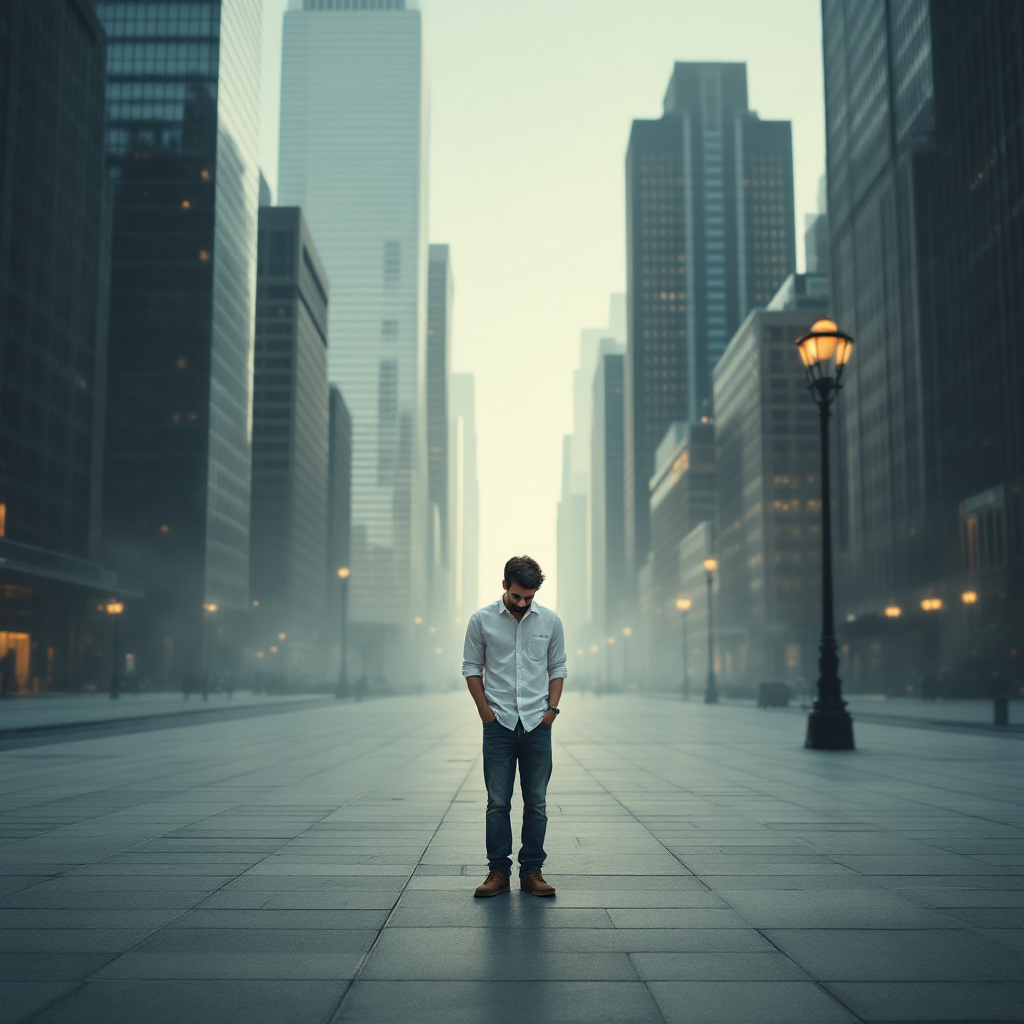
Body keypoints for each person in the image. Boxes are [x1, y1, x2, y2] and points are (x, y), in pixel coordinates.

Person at [462, 555, 566, 899]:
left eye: (529, 598)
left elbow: (557, 667)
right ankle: (498, 872)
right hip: (499, 724)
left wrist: (550, 712)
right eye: (517, 595)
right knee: (497, 802)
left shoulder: (550, 621)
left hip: (538, 723)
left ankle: (533, 871)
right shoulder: (481, 620)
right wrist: (485, 714)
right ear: (504, 584)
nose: (523, 603)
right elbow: (471, 668)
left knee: (537, 802)